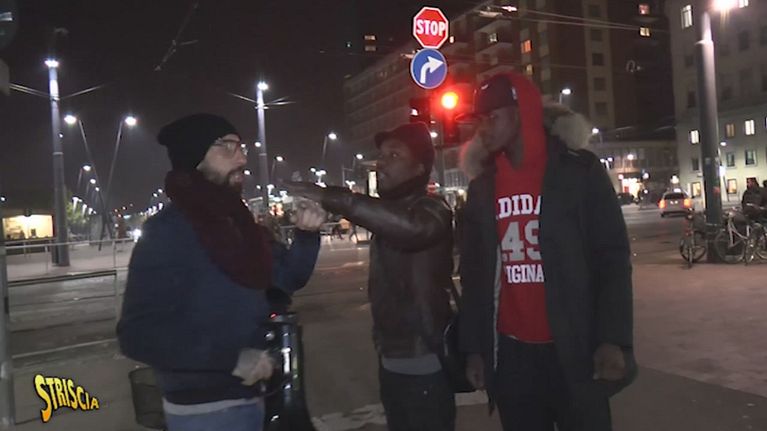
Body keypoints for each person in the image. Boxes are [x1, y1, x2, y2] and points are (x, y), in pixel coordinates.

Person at [117, 113, 325, 431]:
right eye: (227, 147)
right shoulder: (167, 231)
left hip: (257, 399)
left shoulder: (240, 223)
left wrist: (306, 236)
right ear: (194, 157)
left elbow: (284, 280)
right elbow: (138, 335)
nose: (242, 158)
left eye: (241, 147)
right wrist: (231, 359)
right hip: (205, 412)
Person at [458, 73, 637, 431]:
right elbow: (474, 274)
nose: (483, 129)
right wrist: (475, 347)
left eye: (493, 117)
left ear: (522, 112)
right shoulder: (482, 187)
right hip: (512, 357)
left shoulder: (579, 173)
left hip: (575, 347)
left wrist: (613, 339)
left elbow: (612, 259)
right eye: (479, 121)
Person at [285, 122, 456, 431]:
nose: (382, 163)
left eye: (394, 155)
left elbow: (412, 228)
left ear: (419, 168)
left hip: (424, 357)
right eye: (381, 155)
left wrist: (334, 198)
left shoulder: (432, 209)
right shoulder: (384, 214)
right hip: (390, 359)